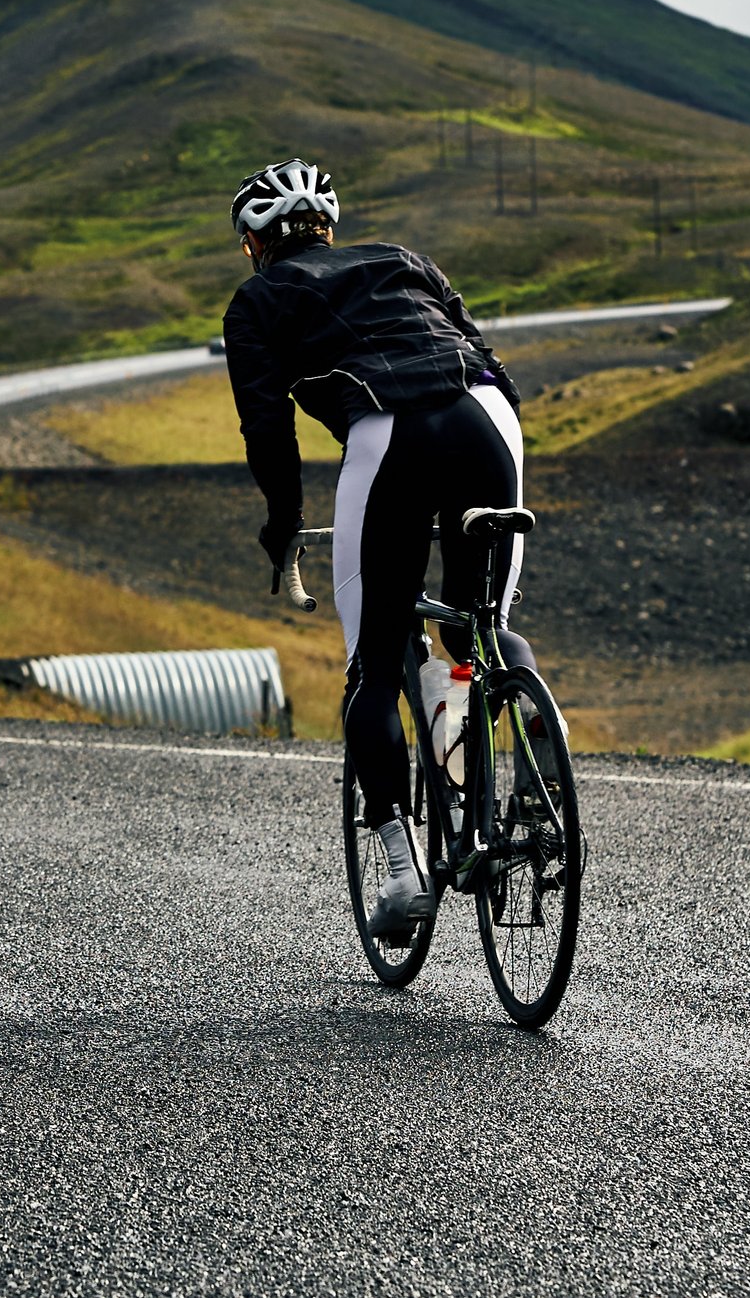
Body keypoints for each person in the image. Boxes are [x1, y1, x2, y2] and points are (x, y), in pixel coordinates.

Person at [220, 157, 534, 942]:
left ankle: (402, 872)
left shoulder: (258, 299)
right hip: (490, 419)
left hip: (389, 431)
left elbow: (268, 429)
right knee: (479, 622)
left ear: (256, 243)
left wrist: (283, 524)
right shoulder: (403, 259)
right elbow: (489, 359)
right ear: (329, 226)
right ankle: (525, 781)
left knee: (374, 657)